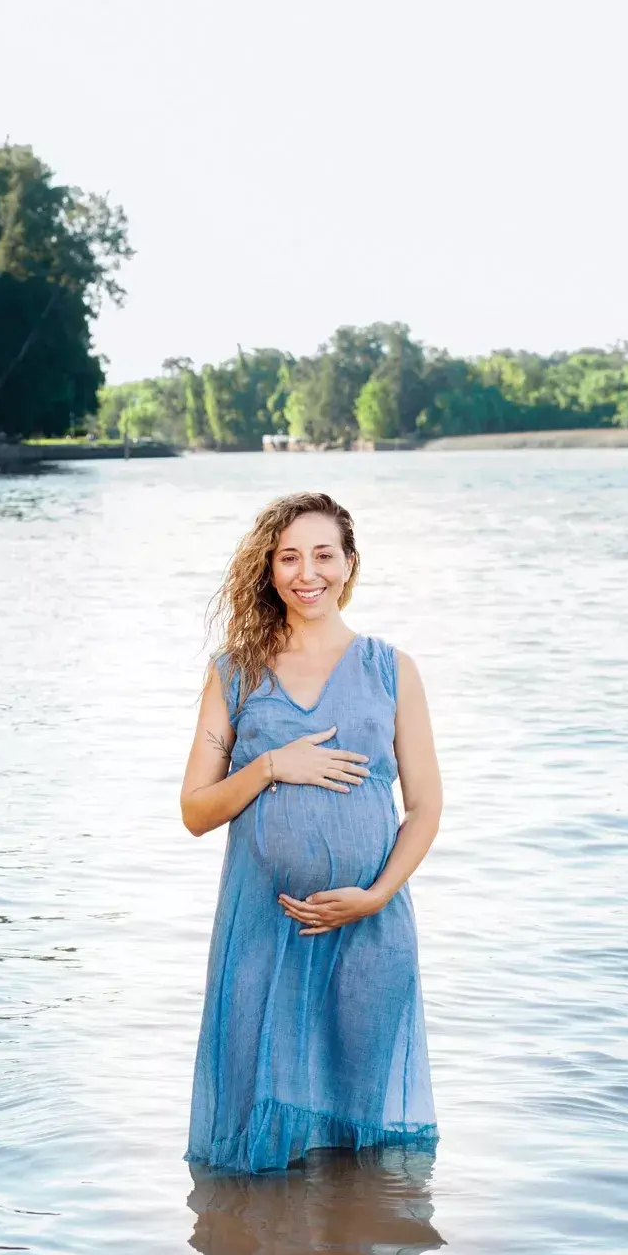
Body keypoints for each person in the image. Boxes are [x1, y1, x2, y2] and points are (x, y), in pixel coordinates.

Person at [180, 491, 442, 1174]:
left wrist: (376, 896)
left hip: (368, 931)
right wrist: (270, 765)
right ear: (269, 570)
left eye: (323, 555)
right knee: (257, 1130)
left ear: (349, 565)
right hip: (263, 933)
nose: (307, 573)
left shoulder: (391, 669)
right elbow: (195, 811)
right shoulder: (235, 674)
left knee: (361, 1144)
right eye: (289, 557)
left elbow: (425, 806)